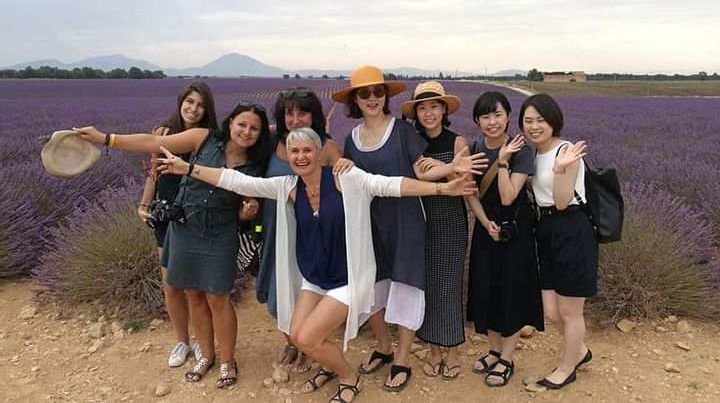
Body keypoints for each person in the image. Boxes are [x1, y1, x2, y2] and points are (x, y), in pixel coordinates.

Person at [154, 127, 478, 403]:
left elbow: (392, 184)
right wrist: (188, 169)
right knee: (296, 335)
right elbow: (236, 181)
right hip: (315, 277)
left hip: (348, 278)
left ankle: (349, 377)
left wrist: (442, 187)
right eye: (294, 151)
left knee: (307, 338)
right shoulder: (288, 187)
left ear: (320, 152)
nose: (300, 156)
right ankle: (328, 365)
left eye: (307, 150)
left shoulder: (345, 179)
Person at [74, 101, 271, 388]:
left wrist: (247, 213)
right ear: (230, 123)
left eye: (254, 128)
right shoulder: (203, 138)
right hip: (185, 228)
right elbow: (154, 141)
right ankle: (206, 356)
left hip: (220, 233)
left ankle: (227, 359)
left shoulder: (256, 165)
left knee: (219, 299)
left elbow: (242, 211)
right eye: (242, 124)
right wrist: (106, 138)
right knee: (194, 296)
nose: (247, 131)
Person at [399, 81, 486, 380]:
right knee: (427, 287)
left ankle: (451, 351)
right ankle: (433, 350)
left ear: (444, 109)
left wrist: (483, 220)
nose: (428, 113)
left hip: (449, 221)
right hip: (419, 221)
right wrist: (450, 170)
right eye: (422, 108)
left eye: (434, 106)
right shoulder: (411, 140)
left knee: (448, 287)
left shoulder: (457, 141)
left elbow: (466, 184)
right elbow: (415, 174)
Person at [465, 91, 544, 388]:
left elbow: (510, 195)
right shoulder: (473, 148)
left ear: (509, 116)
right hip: (487, 229)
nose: (492, 121)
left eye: (497, 114)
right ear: (477, 120)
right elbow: (469, 192)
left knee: (510, 292)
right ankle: (494, 349)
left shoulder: (522, 150)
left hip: (516, 231)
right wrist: (485, 224)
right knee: (486, 288)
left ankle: (507, 358)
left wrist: (501, 161)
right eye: (485, 116)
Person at [137, 82, 219, 367]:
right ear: (181, 102)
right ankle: (181, 341)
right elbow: (154, 174)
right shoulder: (162, 133)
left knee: (194, 288)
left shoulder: (209, 139)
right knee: (171, 284)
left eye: (200, 105)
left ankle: (202, 342)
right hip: (164, 214)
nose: (194, 109)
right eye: (190, 102)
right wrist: (144, 204)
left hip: (195, 216)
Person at [261, 88, 342, 373]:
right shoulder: (272, 143)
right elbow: (237, 135)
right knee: (277, 297)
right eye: (289, 113)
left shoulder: (327, 147)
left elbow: (345, 186)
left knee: (308, 289)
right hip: (276, 230)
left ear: (314, 116)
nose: (295, 120)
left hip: (312, 233)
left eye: (302, 112)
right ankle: (293, 341)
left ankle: (309, 343)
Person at [519, 94, 594, 390]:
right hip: (546, 229)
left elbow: (562, 202)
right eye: (528, 121)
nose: (535, 126)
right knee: (551, 311)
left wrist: (562, 168)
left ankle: (567, 367)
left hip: (572, 229)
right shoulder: (535, 154)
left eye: (541, 120)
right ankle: (581, 350)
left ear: (553, 121)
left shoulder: (568, 152)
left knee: (570, 311)